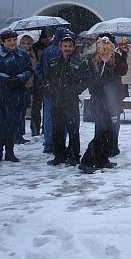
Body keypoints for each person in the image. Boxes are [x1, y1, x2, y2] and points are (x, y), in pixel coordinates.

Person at [80, 35, 128, 174]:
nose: (106, 53)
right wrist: (99, 77)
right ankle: (86, 161)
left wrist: (123, 55)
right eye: (103, 50)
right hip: (99, 102)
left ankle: (102, 159)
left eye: (108, 51)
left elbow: (121, 72)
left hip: (111, 101)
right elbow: (93, 85)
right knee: (101, 132)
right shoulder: (95, 64)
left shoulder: (113, 62)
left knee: (107, 131)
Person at [0, 30, 33, 163]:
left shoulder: (22, 54)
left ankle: (10, 151)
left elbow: (29, 70)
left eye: (14, 40)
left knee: (13, 123)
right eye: (9, 41)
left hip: (16, 94)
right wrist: (6, 80)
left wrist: (19, 78)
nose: (12, 43)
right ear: (3, 42)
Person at [43, 31, 90, 166]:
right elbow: (47, 78)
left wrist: (74, 90)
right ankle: (59, 155)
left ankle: (74, 156)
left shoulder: (79, 62)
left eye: (70, 46)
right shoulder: (54, 62)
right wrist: (49, 88)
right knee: (57, 130)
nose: (67, 48)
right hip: (56, 100)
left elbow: (86, 79)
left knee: (73, 130)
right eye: (65, 46)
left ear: (73, 47)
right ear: (60, 46)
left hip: (70, 101)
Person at [35, 27, 72, 153]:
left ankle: (48, 142)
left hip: (49, 89)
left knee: (48, 117)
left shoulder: (47, 50)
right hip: (58, 90)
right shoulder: (59, 52)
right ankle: (57, 143)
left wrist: (44, 84)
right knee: (60, 118)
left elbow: (39, 69)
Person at [16, 33, 36, 143]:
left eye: (28, 43)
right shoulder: (18, 55)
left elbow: (35, 67)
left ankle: (20, 133)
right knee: (19, 110)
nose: (26, 45)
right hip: (21, 84)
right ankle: (17, 134)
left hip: (31, 84)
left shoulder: (32, 54)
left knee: (24, 109)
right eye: (23, 43)